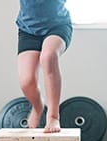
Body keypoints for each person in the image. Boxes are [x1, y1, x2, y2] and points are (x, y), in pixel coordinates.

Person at [16, 0, 72, 133]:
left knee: (48, 57)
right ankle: (37, 107)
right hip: (28, 30)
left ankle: (53, 116)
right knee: (27, 81)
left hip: (58, 26)